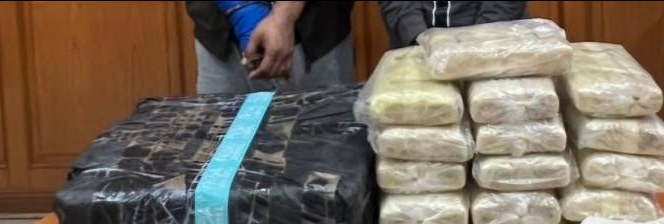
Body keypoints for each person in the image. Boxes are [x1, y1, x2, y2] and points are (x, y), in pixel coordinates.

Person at [186, 1, 356, 94]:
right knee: (220, 141)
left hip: (314, 34)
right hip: (220, 38)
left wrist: (284, 15)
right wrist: (240, 8)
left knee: (325, 141)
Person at [378, 1, 528, 49]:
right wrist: (420, 39)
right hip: (416, 49)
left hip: (494, 47)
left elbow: (503, 5)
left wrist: (477, 43)